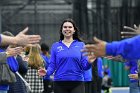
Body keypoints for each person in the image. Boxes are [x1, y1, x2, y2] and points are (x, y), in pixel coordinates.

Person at [38, 18, 95, 93]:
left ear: (74, 30)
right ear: (61, 30)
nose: (67, 29)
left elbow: (85, 66)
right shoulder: (55, 46)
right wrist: (47, 72)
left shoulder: (81, 45)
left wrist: (89, 62)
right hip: (59, 83)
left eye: (70, 27)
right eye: (65, 27)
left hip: (77, 83)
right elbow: (52, 65)